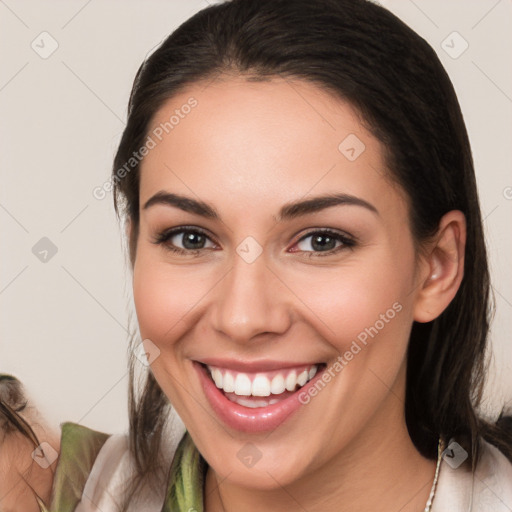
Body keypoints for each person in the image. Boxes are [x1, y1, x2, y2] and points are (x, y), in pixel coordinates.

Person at [1, 0, 512, 510]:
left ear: (437, 267)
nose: (243, 318)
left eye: (321, 241)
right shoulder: (35, 489)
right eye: (191, 238)